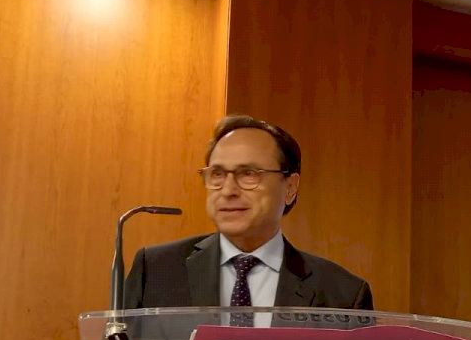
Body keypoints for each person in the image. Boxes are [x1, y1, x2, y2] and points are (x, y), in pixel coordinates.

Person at [123, 115, 373, 323]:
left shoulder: (342, 295)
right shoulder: (155, 271)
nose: (228, 190)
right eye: (217, 174)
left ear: (290, 187)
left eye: (249, 174)